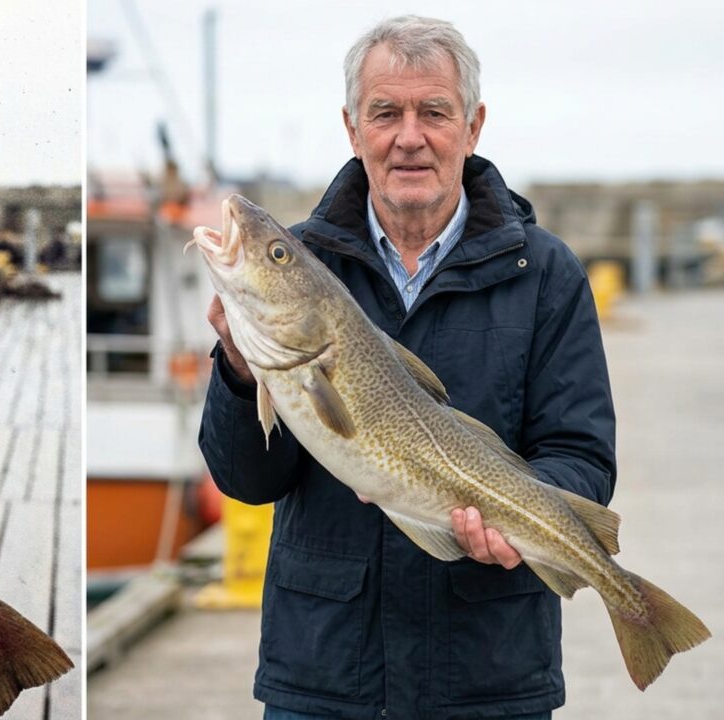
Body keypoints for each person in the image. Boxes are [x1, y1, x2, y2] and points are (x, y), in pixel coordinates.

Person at [198, 15, 615, 720]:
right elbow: (246, 481)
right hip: (325, 679)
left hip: (490, 677)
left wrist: (522, 519)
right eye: (385, 113)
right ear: (352, 129)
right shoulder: (307, 265)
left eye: (434, 113)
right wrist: (242, 374)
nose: (409, 136)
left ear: (473, 126)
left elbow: (582, 456)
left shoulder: (545, 274)